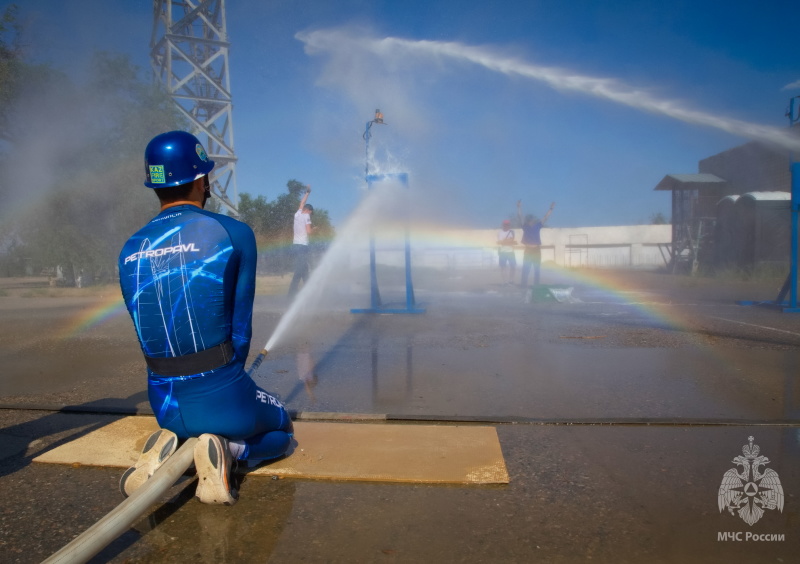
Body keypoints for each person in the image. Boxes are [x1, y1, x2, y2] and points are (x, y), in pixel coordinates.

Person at [118, 131, 294, 505]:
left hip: (164, 403)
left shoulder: (130, 247)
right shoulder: (234, 233)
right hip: (222, 396)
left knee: (192, 419)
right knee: (282, 427)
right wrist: (231, 384)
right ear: (201, 180)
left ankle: (174, 443)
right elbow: (240, 331)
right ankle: (229, 452)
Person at [517, 200, 556, 287]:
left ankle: (536, 285)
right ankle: (523, 285)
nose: (531, 221)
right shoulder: (525, 226)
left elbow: (546, 217)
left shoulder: (538, 225)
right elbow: (520, 216)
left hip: (536, 250)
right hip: (528, 250)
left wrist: (551, 208)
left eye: (532, 220)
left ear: (534, 221)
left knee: (537, 269)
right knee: (526, 268)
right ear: (528, 221)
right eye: (530, 220)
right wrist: (519, 207)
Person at [288, 186, 315, 297]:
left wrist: (307, 193)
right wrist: (314, 229)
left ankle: (307, 293)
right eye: (311, 212)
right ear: (308, 211)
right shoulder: (307, 216)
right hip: (303, 246)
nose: (311, 214)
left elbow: (301, 203)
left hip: (296, 246)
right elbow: (309, 232)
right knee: (300, 270)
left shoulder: (297, 214)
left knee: (304, 269)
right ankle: (291, 295)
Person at [497, 219, 517, 285]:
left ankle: (511, 280)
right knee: (503, 267)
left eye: (508, 225)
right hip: (503, 252)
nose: (506, 226)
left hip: (510, 251)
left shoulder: (512, 232)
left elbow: (512, 240)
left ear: (509, 225)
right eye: (505, 225)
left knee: (513, 266)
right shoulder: (500, 233)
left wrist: (505, 241)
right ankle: (505, 281)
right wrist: (508, 241)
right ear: (503, 225)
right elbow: (500, 242)